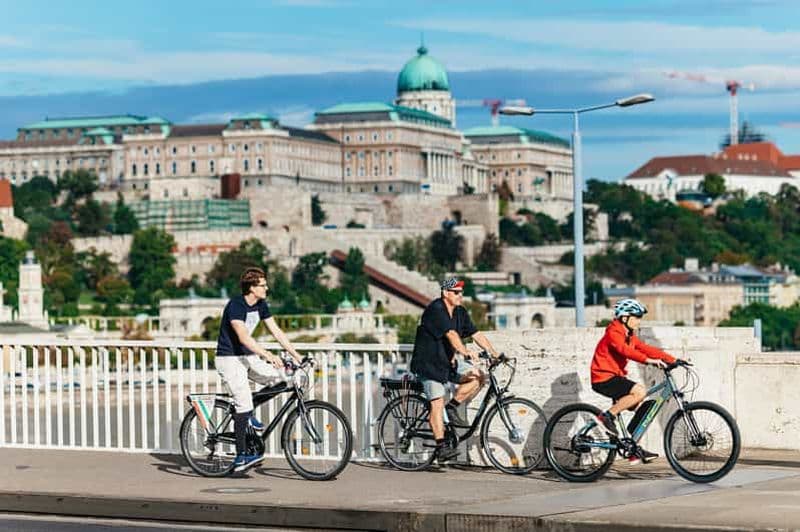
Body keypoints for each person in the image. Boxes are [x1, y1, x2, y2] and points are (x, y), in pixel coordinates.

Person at [216, 267, 304, 472]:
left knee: (282, 379)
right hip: (229, 359)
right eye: (263, 285)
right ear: (251, 288)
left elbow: (276, 331)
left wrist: (297, 355)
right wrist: (269, 356)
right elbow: (243, 337)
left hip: (247, 356)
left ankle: (247, 411)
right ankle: (240, 456)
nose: (267, 288)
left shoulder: (261, 305)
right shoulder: (236, 306)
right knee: (243, 403)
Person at [410, 277, 501, 464]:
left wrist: (494, 353)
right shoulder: (436, 309)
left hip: (447, 364)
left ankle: (452, 408)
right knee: (436, 402)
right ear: (446, 293)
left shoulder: (460, 312)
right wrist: (465, 352)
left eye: (461, 292)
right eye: (456, 292)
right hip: (429, 365)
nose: (461, 295)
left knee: (478, 377)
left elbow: (475, 333)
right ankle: (441, 446)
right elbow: (451, 334)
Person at [590, 298, 679, 465]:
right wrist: (648, 361)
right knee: (639, 391)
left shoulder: (629, 335)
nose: (639, 320)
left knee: (645, 407)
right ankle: (605, 417)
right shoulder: (614, 332)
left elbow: (646, 349)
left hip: (615, 377)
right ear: (625, 318)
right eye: (636, 317)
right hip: (603, 377)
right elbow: (624, 351)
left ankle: (631, 448)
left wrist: (673, 359)